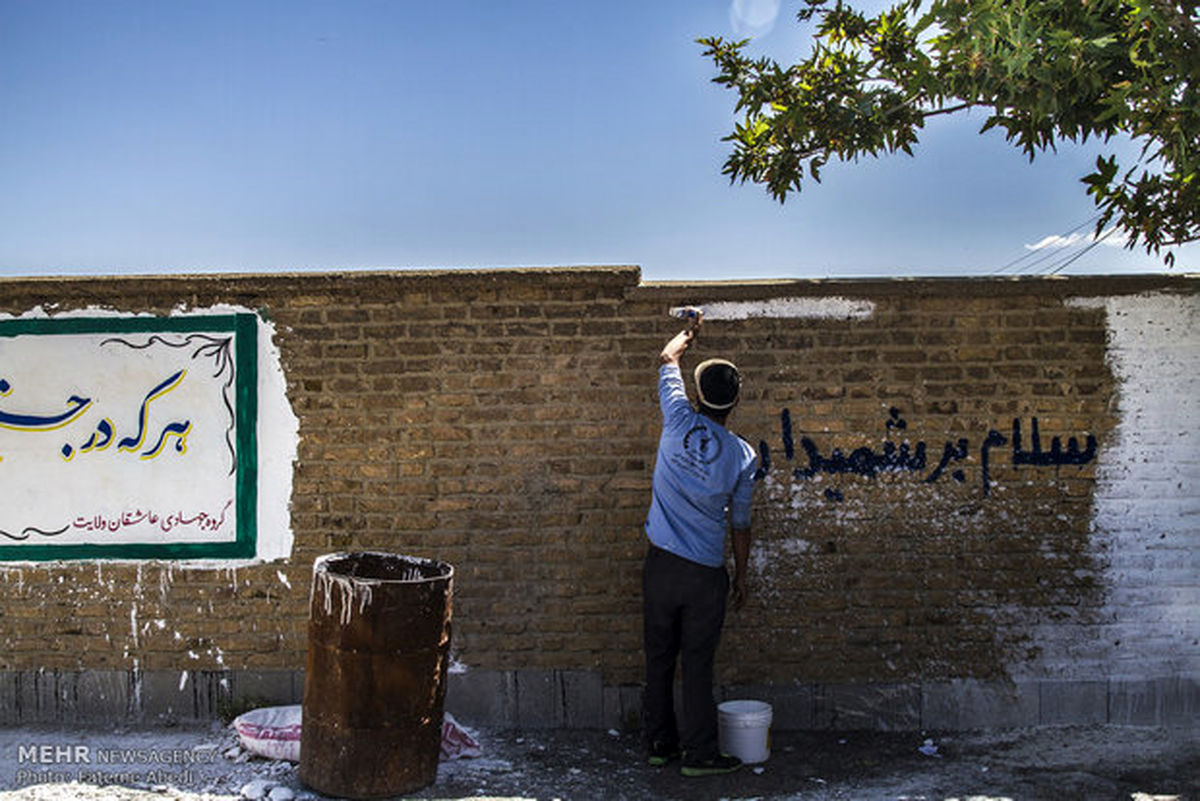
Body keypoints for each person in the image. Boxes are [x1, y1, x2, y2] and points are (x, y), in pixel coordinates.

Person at [642, 309, 757, 777]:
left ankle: (659, 744)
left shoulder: (676, 417)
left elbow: (667, 356)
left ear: (698, 394)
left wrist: (690, 329)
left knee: (658, 659)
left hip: (661, 567)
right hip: (705, 574)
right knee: (697, 665)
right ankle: (701, 754)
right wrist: (743, 575)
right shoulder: (742, 455)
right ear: (733, 403)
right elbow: (742, 524)